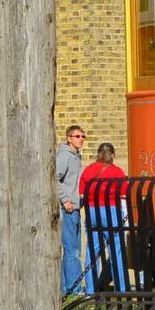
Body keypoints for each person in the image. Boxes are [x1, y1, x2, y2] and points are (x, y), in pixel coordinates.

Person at [79, 142, 128, 292]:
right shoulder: (117, 172)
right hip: (111, 210)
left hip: (92, 211)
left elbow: (81, 193)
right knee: (117, 250)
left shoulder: (88, 171)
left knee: (92, 252)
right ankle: (121, 288)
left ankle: (90, 290)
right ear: (112, 155)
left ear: (98, 154)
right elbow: (124, 193)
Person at [55, 125, 87, 295]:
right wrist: (65, 200)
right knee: (72, 250)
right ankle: (75, 289)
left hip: (75, 207)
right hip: (66, 209)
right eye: (77, 136)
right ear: (69, 138)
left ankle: (66, 287)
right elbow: (54, 178)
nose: (81, 139)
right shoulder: (64, 156)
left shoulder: (75, 156)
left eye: (83, 136)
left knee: (73, 249)